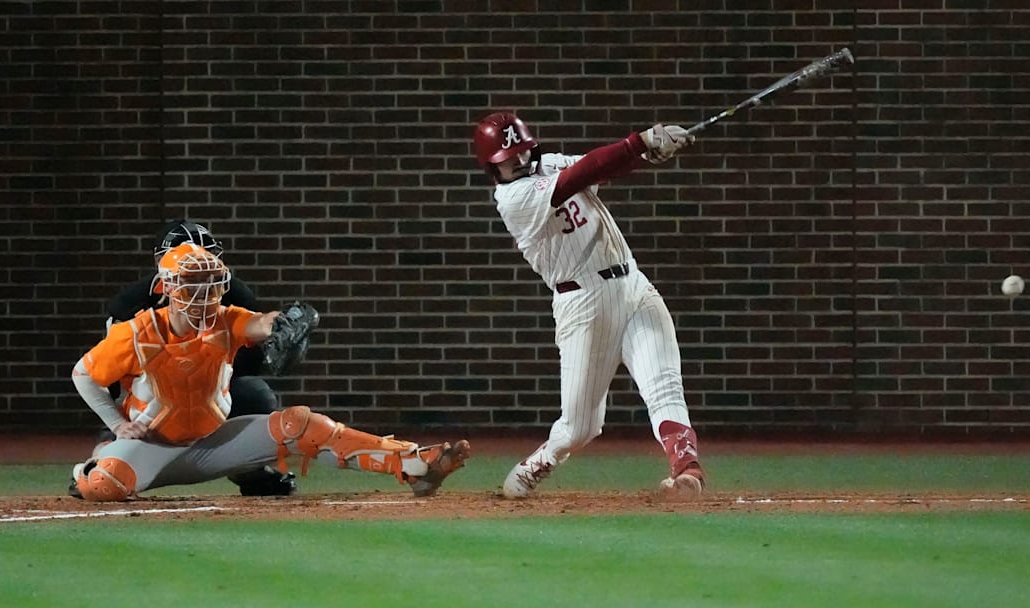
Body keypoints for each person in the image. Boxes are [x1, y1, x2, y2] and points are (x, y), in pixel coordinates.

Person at [69, 242, 471, 501]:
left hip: (213, 444)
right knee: (104, 484)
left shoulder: (225, 320)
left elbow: (259, 323)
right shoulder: (137, 333)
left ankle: (414, 464)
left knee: (299, 423)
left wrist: (284, 321)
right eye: (192, 285)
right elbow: (83, 374)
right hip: (152, 447)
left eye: (211, 285)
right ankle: (95, 460)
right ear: (167, 289)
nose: (204, 295)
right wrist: (117, 427)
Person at [472, 112, 705, 499]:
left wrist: (649, 154)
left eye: (523, 153)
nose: (520, 163)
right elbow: (576, 178)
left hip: (633, 285)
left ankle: (687, 470)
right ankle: (541, 460)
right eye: (509, 161)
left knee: (664, 385)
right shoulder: (511, 200)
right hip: (583, 304)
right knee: (579, 428)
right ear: (492, 169)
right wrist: (639, 142)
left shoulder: (545, 163)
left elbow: (600, 168)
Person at [77, 219, 295, 498]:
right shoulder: (131, 304)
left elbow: (251, 357)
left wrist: (273, 327)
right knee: (133, 408)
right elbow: (106, 372)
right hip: (150, 393)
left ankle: (248, 470)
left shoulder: (234, 294)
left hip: (214, 390)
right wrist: (119, 424)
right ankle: (99, 465)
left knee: (256, 394)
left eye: (204, 255)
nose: (198, 266)